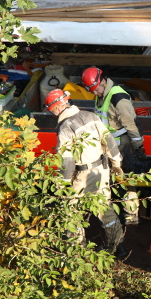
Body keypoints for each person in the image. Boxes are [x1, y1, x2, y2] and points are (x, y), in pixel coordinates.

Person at [44, 89, 126, 256]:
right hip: (102, 170)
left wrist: (64, 184)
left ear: (58, 108)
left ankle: (76, 252)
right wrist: (117, 163)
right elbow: (109, 141)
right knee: (104, 207)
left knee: (70, 210)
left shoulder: (66, 128)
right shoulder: (91, 116)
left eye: (52, 111)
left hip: (83, 175)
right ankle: (117, 247)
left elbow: (66, 161)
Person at [81, 66, 146, 225]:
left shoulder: (118, 97)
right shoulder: (102, 94)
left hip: (122, 145)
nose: (94, 94)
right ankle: (109, 214)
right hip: (107, 145)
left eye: (95, 90)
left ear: (102, 81)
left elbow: (130, 124)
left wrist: (138, 146)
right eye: (92, 91)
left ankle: (131, 215)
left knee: (126, 180)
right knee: (108, 179)